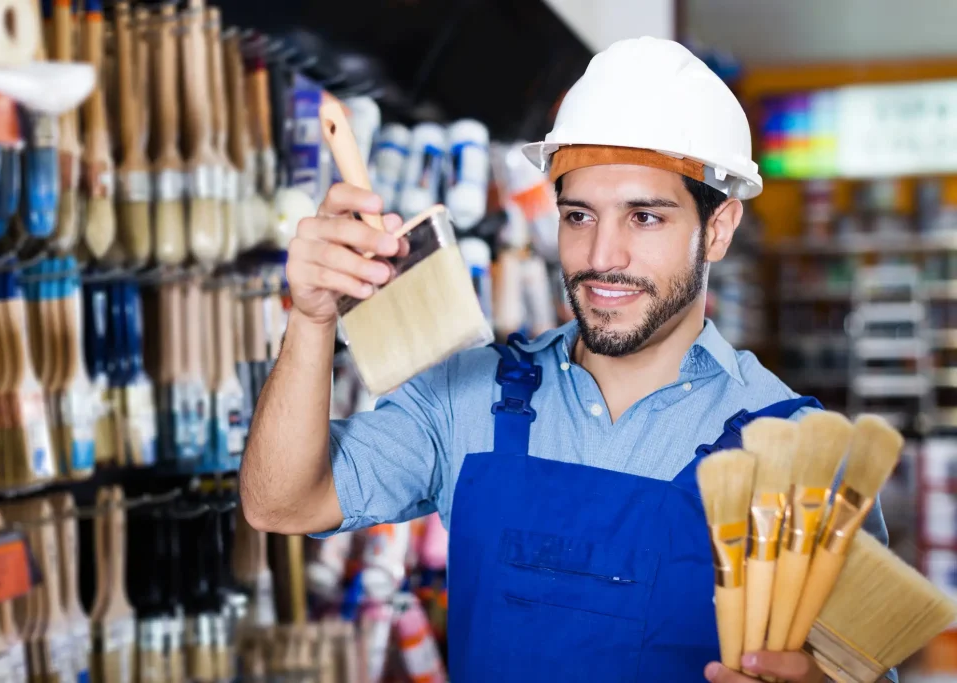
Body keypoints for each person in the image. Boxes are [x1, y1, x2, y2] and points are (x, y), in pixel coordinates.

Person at [240, 37, 893, 683]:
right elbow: (279, 503)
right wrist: (313, 316)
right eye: (579, 215)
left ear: (717, 228)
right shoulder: (468, 395)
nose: (603, 254)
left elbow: (866, 671)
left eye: (644, 217)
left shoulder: (805, 455)